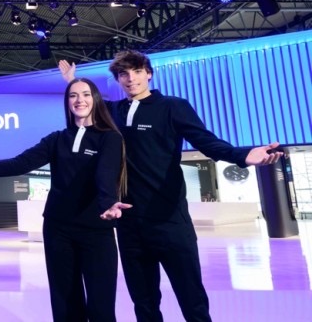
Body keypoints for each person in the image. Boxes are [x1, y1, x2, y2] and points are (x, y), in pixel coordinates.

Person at [59, 51, 281, 322]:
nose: (131, 79)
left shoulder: (172, 106)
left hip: (170, 220)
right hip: (129, 224)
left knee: (192, 300)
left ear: (149, 74)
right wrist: (72, 81)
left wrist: (242, 155)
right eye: (123, 74)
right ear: (118, 79)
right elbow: (86, 101)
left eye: (137, 71)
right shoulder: (114, 111)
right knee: (144, 304)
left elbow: (206, 141)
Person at [0, 78, 131, 322]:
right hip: (58, 228)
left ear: (95, 99)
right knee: (65, 301)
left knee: (101, 303)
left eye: (85, 94)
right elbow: (19, 163)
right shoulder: (56, 139)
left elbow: (106, 173)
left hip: (96, 227)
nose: (79, 100)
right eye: (73, 95)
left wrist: (108, 202)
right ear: (67, 102)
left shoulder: (109, 138)